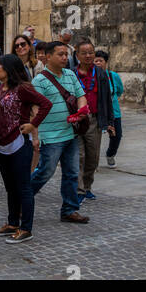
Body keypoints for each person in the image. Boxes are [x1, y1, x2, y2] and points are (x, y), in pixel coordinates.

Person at [0, 53, 52, 242]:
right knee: (10, 187)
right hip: (1, 144)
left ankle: (26, 229)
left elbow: (45, 104)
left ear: (8, 69)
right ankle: (12, 222)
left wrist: (33, 125)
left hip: (18, 143)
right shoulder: (0, 88)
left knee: (23, 187)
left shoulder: (23, 88)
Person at [30, 39, 90, 225]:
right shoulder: (39, 80)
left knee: (71, 173)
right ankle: (22, 197)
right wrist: (36, 135)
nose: (65, 57)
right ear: (48, 57)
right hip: (51, 135)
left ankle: (70, 209)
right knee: (45, 172)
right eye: (60, 54)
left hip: (70, 133)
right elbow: (34, 108)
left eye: (66, 54)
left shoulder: (70, 75)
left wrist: (81, 112)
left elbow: (81, 96)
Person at [75, 38, 115, 199]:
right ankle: (78, 190)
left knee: (93, 156)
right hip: (76, 120)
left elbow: (107, 99)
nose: (88, 56)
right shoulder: (71, 73)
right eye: (84, 53)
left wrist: (110, 122)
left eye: (90, 52)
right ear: (77, 55)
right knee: (79, 156)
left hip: (94, 119)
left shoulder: (100, 74)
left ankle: (87, 185)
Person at [95, 48, 124, 167]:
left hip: (113, 111)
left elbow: (119, 91)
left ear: (106, 62)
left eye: (100, 61)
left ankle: (110, 154)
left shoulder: (113, 76)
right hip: (97, 111)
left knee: (116, 135)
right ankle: (93, 161)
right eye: (95, 61)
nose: (97, 63)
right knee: (94, 138)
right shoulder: (91, 77)